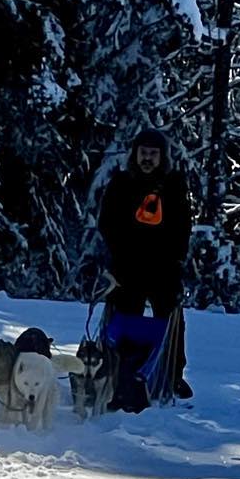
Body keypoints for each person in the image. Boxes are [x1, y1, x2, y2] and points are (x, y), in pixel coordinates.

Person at [98, 127, 194, 399]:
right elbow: (107, 223)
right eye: (144, 153)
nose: (148, 159)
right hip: (127, 266)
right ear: (135, 154)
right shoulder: (121, 182)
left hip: (164, 267)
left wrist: (176, 258)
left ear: (162, 156)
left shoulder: (174, 184)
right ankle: (120, 373)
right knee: (124, 318)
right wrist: (118, 256)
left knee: (172, 321)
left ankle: (172, 375)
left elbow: (183, 225)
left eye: (153, 153)